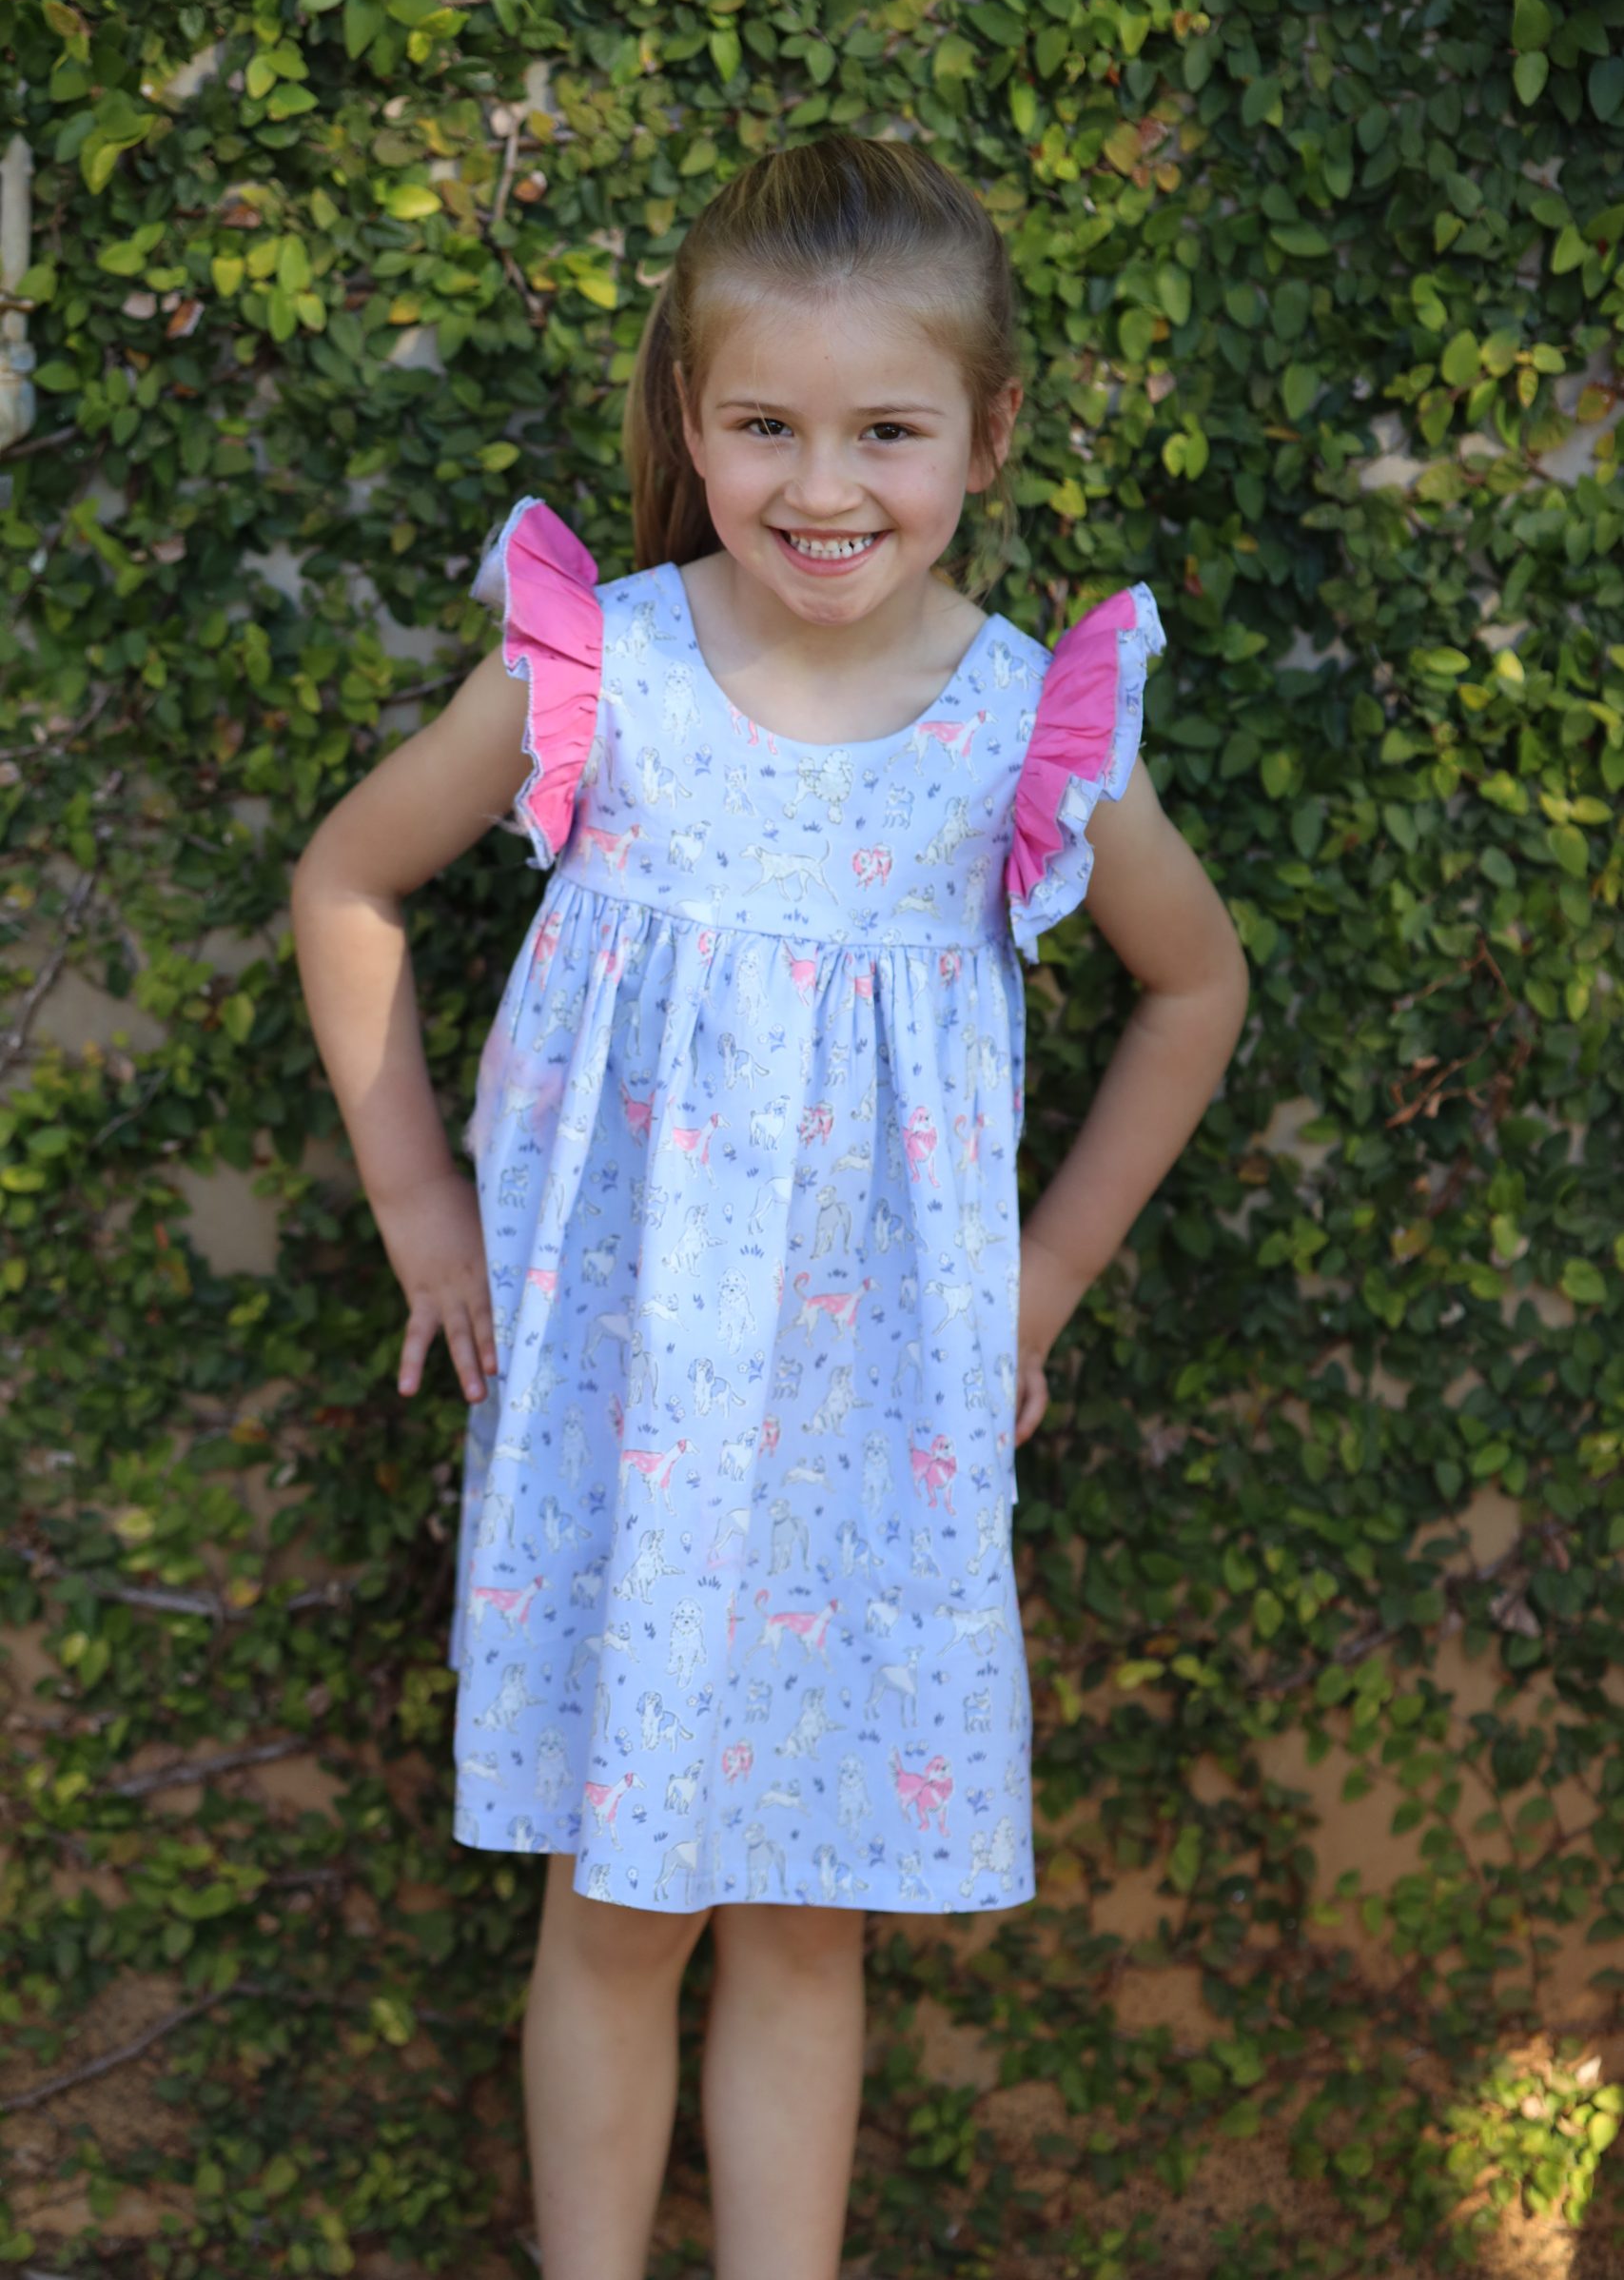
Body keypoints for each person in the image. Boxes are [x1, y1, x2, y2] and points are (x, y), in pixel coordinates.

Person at [290, 134, 1249, 2280]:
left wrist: (1039, 1281)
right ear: (691, 422)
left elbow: (1195, 988)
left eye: (886, 431)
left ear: (985, 433)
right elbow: (349, 876)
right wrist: (418, 1199)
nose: (824, 488)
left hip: (863, 1434)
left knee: (809, 1914)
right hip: (621, 1413)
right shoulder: (601, 671)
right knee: (616, 1904)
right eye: (765, 429)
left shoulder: (1018, 725)